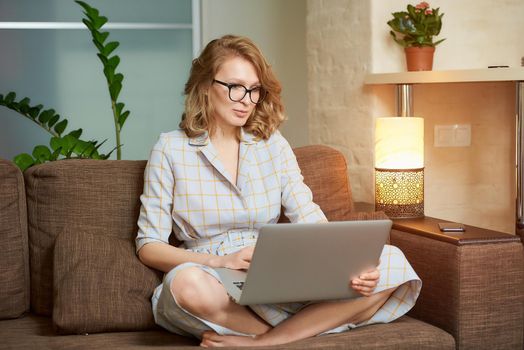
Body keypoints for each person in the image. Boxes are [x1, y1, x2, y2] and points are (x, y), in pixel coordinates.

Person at [135, 34, 421, 348]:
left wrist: (350, 267)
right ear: (204, 85)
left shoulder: (272, 144)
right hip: (212, 276)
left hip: (277, 272)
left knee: (392, 260)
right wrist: (220, 262)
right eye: (234, 87)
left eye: (254, 89)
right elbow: (149, 245)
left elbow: (310, 219)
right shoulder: (171, 149)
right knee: (185, 284)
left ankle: (266, 341)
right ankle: (311, 326)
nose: (245, 99)